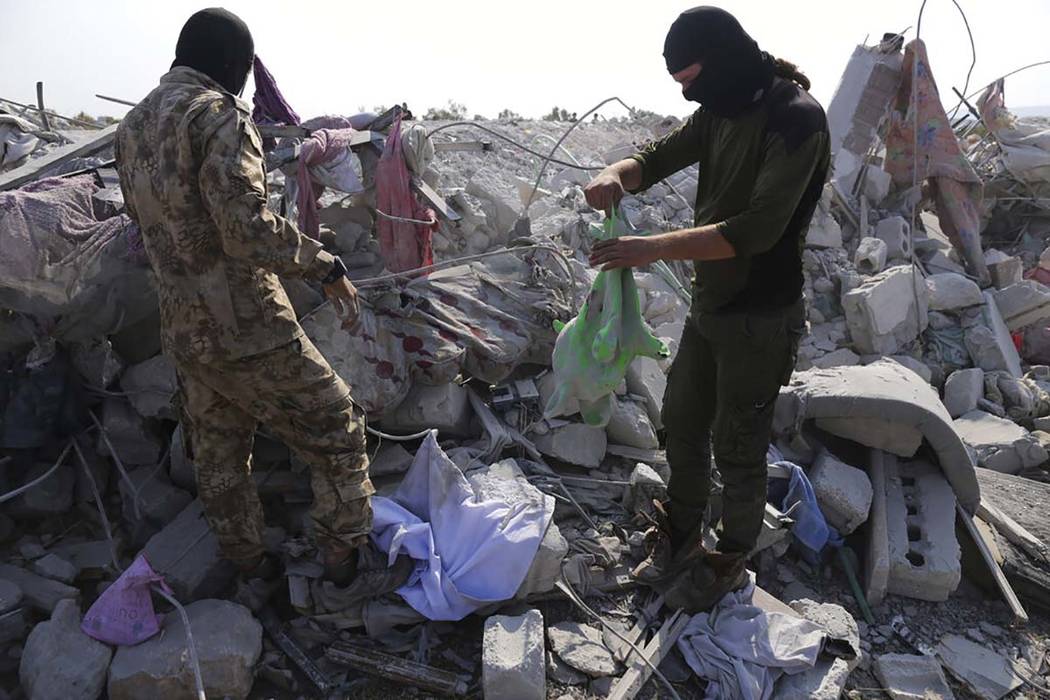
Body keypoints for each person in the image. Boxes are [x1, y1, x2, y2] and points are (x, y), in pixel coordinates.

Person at [114, 8, 373, 585]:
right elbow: (246, 229)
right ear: (232, 66)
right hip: (248, 326)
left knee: (219, 456)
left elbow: (149, 225)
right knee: (337, 426)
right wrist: (323, 264)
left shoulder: (132, 128)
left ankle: (246, 569)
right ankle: (342, 564)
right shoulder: (216, 115)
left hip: (184, 330)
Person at [584, 6, 830, 611]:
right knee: (684, 424)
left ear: (721, 61)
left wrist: (647, 249)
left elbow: (754, 231)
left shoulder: (795, 120)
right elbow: (658, 155)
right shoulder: (719, 110)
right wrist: (615, 172)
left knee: (740, 444)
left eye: (692, 77)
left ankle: (727, 558)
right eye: (681, 85)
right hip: (710, 307)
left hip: (760, 315)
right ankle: (681, 533)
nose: (690, 92)